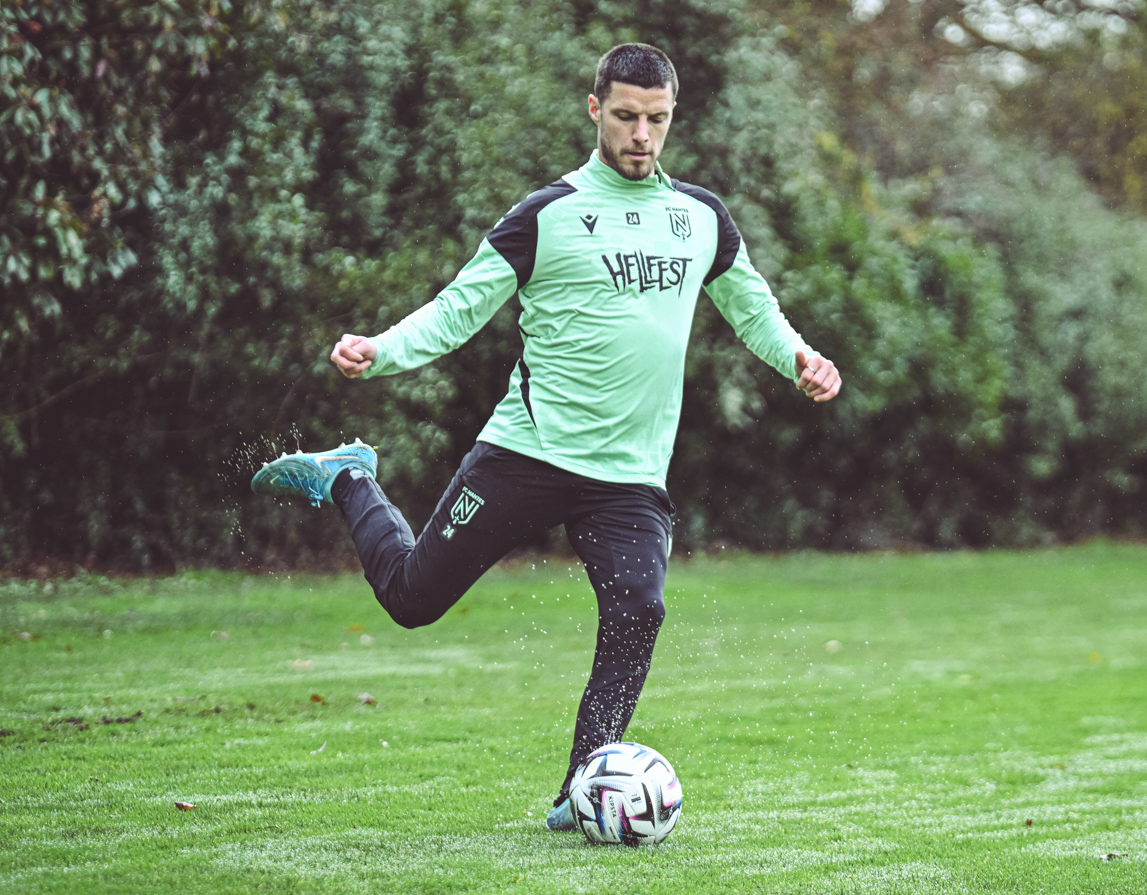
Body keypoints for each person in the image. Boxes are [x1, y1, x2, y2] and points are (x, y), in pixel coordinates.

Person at [249, 43, 841, 830]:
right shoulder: (546, 215)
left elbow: (753, 308)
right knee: (412, 600)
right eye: (625, 116)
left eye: (657, 119)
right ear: (595, 109)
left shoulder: (700, 218)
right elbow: (459, 308)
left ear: (673, 116)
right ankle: (350, 476)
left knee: (639, 610)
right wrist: (380, 350)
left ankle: (579, 791)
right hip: (527, 454)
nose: (641, 135)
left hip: (630, 474)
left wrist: (798, 357)